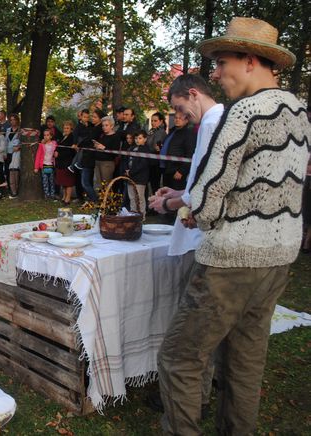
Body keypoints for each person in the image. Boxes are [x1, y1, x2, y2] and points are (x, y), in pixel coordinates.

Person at [156, 17, 311, 435]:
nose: (216, 74)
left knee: (179, 358)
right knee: (245, 360)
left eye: (221, 63)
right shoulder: (298, 110)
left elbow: (207, 198)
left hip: (231, 260)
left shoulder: (245, 111)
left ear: (247, 59)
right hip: (279, 258)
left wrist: (185, 210)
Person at [147, 73, 224, 416]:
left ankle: (192, 398)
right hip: (202, 229)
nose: (181, 116)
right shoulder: (213, 122)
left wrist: (171, 204)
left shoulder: (210, 124)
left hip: (204, 238)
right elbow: (202, 178)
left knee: (193, 329)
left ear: (193, 94)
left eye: (180, 108)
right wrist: (179, 193)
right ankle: (203, 390)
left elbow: (208, 189)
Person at [161, 112, 196, 191]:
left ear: (186, 120)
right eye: (176, 118)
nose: (177, 120)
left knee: (175, 196)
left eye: (180, 118)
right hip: (167, 168)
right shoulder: (172, 131)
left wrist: (181, 171)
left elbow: (190, 154)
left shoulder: (188, 134)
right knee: (166, 194)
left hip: (177, 170)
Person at [55, 120, 76, 205]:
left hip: (67, 162)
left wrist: (59, 153)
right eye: (64, 128)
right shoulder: (62, 137)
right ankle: (64, 196)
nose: (65, 129)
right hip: (60, 162)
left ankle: (68, 198)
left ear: (71, 129)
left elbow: (70, 151)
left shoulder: (72, 137)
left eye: (67, 128)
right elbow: (58, 146)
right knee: (63, 181)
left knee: (68, 182)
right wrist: (56, 151)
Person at [146, 112, 167, 198]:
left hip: (155, 163)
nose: (153, 123)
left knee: (155, 185)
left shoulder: (160, 132)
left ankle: (155, 206)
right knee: (151, 185)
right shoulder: (152, 131)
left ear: (161, 121)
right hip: (150, 161)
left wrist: (145, 147)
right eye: (152, 121)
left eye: (155, 121)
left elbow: (155, 147)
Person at [34, 129, 58, 200]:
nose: (46, 137)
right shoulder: (41, 145)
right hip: (44, 165)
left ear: (51, 136)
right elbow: (38, 156)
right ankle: (47, 195)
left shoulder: (54, 143)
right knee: (45, 181)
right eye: (44, 135)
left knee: (51, 181)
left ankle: (52, 194)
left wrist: (55, 153)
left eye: (47, 135)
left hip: (51, 165)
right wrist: (36, 167)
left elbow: (56, 151)